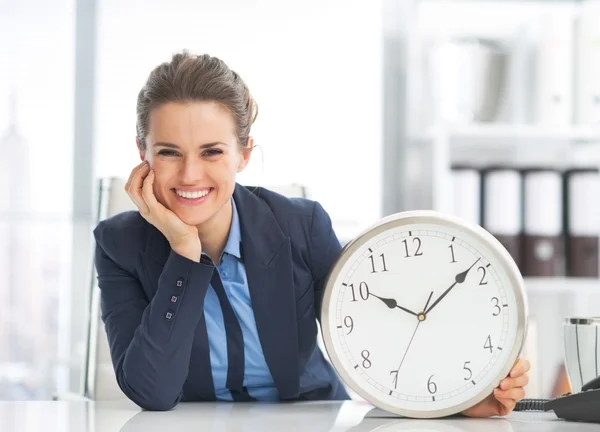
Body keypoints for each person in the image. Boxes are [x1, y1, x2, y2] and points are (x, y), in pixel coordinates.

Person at [93, 51, 530, 413]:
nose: (190, 174)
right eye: (169, 152)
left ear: (243, 155)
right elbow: (151, 392)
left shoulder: (301, 226)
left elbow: (384, 330)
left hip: (309, 419)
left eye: (212, 152)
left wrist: (461, 399)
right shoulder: (118, 245)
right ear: (142, 153)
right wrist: (185, 254)